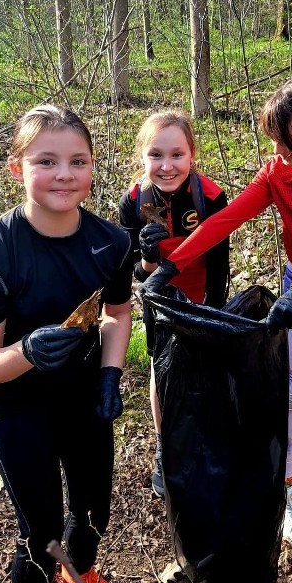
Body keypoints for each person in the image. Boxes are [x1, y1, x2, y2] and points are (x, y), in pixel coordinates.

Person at [141, 76, 292, 557]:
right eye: (273, 140)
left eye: (286, 140)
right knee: (290, 392)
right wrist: (172, 264)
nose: (278, 150)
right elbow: (225, 220)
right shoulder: (279, 171)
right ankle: (286, 486)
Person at [0, 105, 132, 583]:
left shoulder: (112, 243)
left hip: (83, 397)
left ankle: (78, 577)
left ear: (93, 168)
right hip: (18, 407)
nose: (63, 174)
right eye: (46, 161)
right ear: (16, 168)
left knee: (93, 509)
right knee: (41, 529)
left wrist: (109, 374)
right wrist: (27, 351)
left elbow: (117, 314)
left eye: (77, 161)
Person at [119, 109, 229, 497]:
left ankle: (204, 436)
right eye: (156, 155)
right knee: (161, 372)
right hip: (161, 302)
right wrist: (147, 259)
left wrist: (215, 311)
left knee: (203, 370)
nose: (167, 166)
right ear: (143, 156)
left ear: (192, 154)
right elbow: (134, 269)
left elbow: (220, 263)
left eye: (177, 155)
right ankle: (167, 449)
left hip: (202, 298)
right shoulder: (135, 201)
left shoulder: (211, 197)